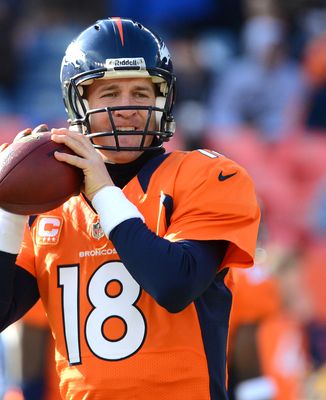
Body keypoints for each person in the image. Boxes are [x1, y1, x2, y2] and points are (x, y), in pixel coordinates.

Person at [0, 17, 260, 400]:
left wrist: (103, 192)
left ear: (162, 100)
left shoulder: (208, 175)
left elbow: (174, 284)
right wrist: (10, 208)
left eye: (140, 93)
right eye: (109, 93)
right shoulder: (52, 204)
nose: (126, 107)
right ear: (79, 102)